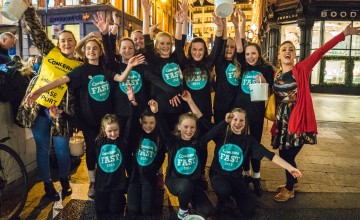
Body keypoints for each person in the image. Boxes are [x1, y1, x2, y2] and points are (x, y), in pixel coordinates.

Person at [272, 23, 360, 202]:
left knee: (287, 155)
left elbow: (320, 51)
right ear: (279, 55)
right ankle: (293, 181)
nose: (287, 51)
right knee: (284, 153)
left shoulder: (301, 69)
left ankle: (289, 188)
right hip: (282, 121)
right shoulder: (277, 74)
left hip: (298, 121)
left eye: (291, 49)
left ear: (295, 54)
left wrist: (344, 33)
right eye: (284, 49)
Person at [25, 38, 118, 198]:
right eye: (88, 48)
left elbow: (110, 59)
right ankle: (92, 181)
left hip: (105, 118)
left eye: (95, 48)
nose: (91, 51)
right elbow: (61, 80)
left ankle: (107, 180)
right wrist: (39, 90)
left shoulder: (102, 67)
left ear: (100, 51)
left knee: (106, 149)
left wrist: (105, 35)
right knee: (90, 149)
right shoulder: (79, 68)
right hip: (85, 118)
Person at [21, 0, 83, 200]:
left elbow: (78, 94)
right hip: (39, 109)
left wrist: (66, 111)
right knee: (43, 149)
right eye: (63, 40)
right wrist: (28, 8)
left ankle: (64, 180)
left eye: (70, 40)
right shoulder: (50, 52)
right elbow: (36, 32)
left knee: (62, 151)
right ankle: (48, 185)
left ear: (75, 43)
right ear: (58, 43)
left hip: (61, 114)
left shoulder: (79, 65)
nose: (66, 43)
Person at [204, 108, 302, 217]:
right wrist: (189, 100)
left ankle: (231, 197)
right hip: (218, 175)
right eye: (235, 119)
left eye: (241, 120)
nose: (238, 123)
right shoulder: (222, 134)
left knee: (249, 210)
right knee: (224, 191)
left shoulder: (249, 141)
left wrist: (290, 168)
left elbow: (269, 155)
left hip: (236, 178)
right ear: (230, 120)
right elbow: (203, 125)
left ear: (246, 123)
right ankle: (224, 202)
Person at [150, 90, 215, 219]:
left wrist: (226, 122)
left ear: (196, 129)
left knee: (208, 211)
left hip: (193, 183)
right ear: (179, 127)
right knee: (185, 186)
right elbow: (162, 127)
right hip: (175, 181)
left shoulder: (198, 142)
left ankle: (188, 198)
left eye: (192, 127)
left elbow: (212, 132)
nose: (188, 130)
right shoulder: (172, 141)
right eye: (185, 127)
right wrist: (156, 112)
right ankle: (183, 211)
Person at [233, 11, 275, 196]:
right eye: (248, 54)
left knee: (255, 144)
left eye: (253, 53)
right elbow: (240, 45)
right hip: (241, 112)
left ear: (259, 54)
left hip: (257, 112)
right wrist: (239, 24)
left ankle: (256, 176)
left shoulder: (266, 68)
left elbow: (271, 91)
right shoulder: (244, 66)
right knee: (242, 143)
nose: (250, 56)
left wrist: (264, 83)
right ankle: (245, 174)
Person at [142, 0, 188, 130]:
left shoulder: (175, 58)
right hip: (161, 109)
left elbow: (180, 41)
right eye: (162, 43)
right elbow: (146, 38)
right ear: (156, 45)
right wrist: (146, 12)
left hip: (178, 107)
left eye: (168, 43)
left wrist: (180, 21)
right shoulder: (153, 60)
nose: (165, 46)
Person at [126, 85, 166, 217]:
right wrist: (132, 102)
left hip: (148, 177)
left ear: (156, 123)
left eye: (151, 123)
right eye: (145, 123)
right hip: (135, 176)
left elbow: (161, 156)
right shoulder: (136, 133)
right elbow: (131, 121)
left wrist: (154, 170)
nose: (148, 126)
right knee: (132, 209)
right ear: (141, 122)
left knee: (147, 210)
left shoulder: (159, 135)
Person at [94, 114, 131, 218]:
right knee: (101, 210)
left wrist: (131, 106)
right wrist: (63, 115)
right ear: (103, 130)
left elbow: (129, 122)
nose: (113, 133)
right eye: (109, 131)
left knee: (115, 210)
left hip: (117, 184)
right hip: (102, 185)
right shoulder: (98, 141)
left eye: (116, 130)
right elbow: (84, 126)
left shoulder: (122, 141)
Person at [213, 8, 245, 125]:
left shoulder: (240, 62)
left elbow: (240, 45)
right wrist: (224, 22)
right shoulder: (220, 61)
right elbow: (223, 41)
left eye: (232, 47)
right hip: (220, 105)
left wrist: (236, 26)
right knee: (220, 134)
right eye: (227, 47)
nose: (229, 49)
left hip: (236, 105)